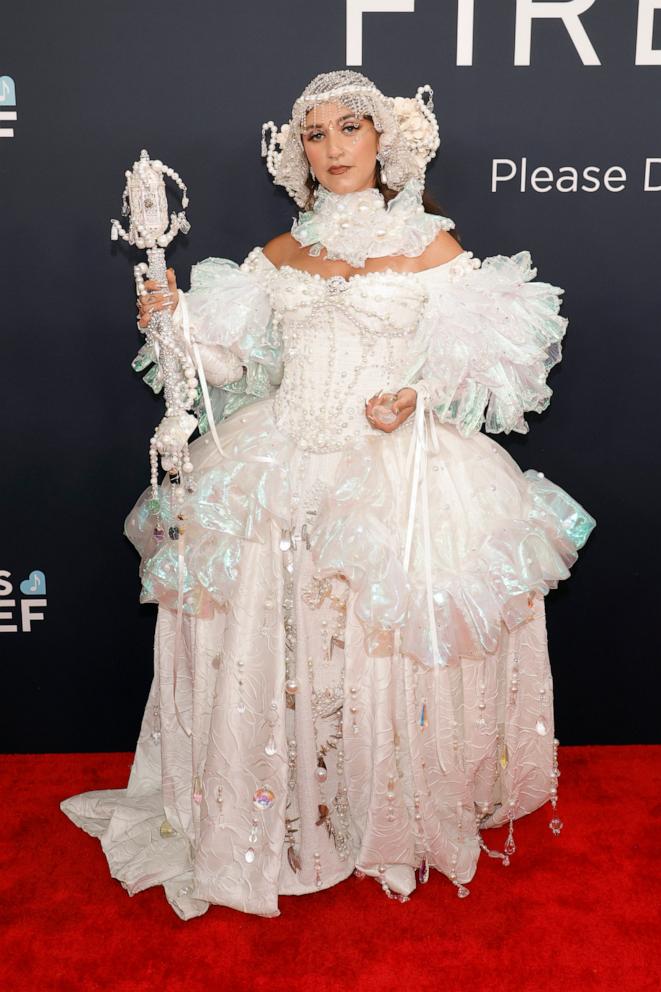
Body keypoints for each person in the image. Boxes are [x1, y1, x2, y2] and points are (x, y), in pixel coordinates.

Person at [61, 70, 596, 920]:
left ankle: (387, 817)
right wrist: (174, 325)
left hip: (395, 465)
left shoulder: (435, 248)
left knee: (378, 640)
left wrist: (415, 397)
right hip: (281, 457)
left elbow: (485, 365)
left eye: (351, 127)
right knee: (290, 636)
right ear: (297, 152)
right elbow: (228, 376)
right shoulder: (277, 256)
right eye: (315, 134)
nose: (334, 146)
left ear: (384, 142)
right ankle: (293, 804)